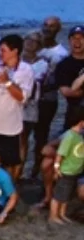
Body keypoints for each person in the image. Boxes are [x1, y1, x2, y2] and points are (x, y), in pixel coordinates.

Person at [0, 34, 35, 179]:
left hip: (9, 125)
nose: (0, 53)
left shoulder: (26, 70)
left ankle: (8, 189)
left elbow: (23, 97)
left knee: (9, 161)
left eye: (3, 50)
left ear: (15, 51)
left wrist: (7, 82)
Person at [33, 16, 69, 178]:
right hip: (29, 99)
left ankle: (37, 170)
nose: (47, 29)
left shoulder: (62, 53)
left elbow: (60, 81)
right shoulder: (35, 48)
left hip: (47, 100)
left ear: (58, 29)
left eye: (52, 26)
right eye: (45, 25)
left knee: (41, 135)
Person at [44, 108, 84, 224]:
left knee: (65, 195)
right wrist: (56, 167)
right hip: (66, 170)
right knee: (58, 195)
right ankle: (53, 215)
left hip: (74, 170)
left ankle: (61, 214)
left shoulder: (78, 136)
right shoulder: (70, 137)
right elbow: (60, 153)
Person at [20, 32, 50, 175]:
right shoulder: (16, 60)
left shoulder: (43, 64)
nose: (30, 43)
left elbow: (35, 83)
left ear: (39, 46)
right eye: (28, 39)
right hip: (12, 104)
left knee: (23, 138)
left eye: (35, 41)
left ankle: (19, 171)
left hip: (30, 105)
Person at [54, 25, 84, 132]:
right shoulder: (63, 65)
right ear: (69, 41)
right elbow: (66, 91)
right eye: (74, 38)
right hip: (74, 114)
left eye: (81, 38)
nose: (77, 42)